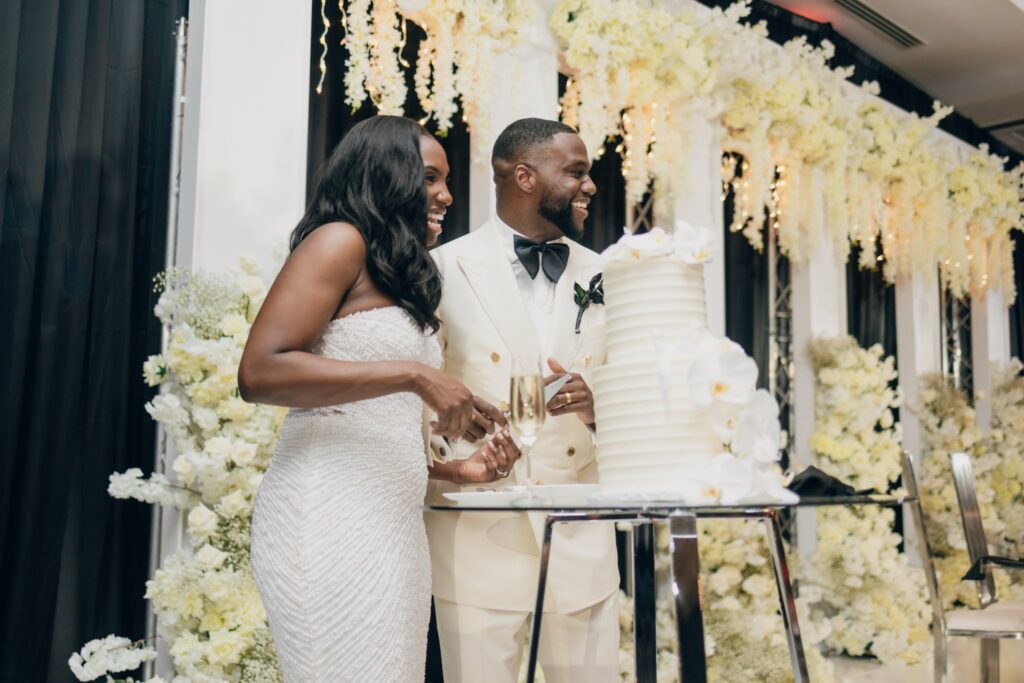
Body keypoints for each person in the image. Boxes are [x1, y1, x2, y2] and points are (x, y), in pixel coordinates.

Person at [239, 115, 520, 682]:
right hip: (329, 520)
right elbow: (260, 372)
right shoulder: (338, 240)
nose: (445, 195)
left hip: (393, 527)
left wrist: (452, 471)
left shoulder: (396, 271)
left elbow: (370, 418)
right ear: (384, 174)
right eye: (430, 179)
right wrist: (416, 375)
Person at [425, 118, 620, 683]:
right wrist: (448, 459)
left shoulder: (606, 273)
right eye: (577, 172)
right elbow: (416, 392)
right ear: (525, 176)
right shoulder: (443, 268)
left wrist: (595, 400)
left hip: (579, 528)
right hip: (478, 532)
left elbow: (633, 382)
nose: (589, 186)